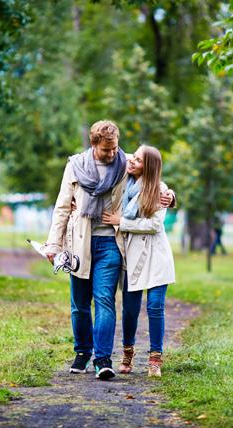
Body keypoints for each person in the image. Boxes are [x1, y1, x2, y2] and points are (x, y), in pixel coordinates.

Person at [43, 121, 174, 380]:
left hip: (111, 243)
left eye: (115, 148)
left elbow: (151, 178)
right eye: (106, 150)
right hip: (80, 242)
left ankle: (102, 359)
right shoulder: (75, 166)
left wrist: (170, 194)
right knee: (79, 304)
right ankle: (82, 352)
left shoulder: (124, 163)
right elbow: (61, 207)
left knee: (104, 300)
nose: (112, 154)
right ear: (94, 145)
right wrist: (53, 244)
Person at [101, 145, 175, 378]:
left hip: (156, 255)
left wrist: (121, 222)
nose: (132, 161)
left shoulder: (159, 190)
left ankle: (155, 359)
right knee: (130, 309)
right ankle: (128, 352)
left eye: (139, 160)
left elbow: (154, 226)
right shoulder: (123, 186)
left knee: (155, 306)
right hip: (131, 255)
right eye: (133, 156)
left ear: (149, 167)